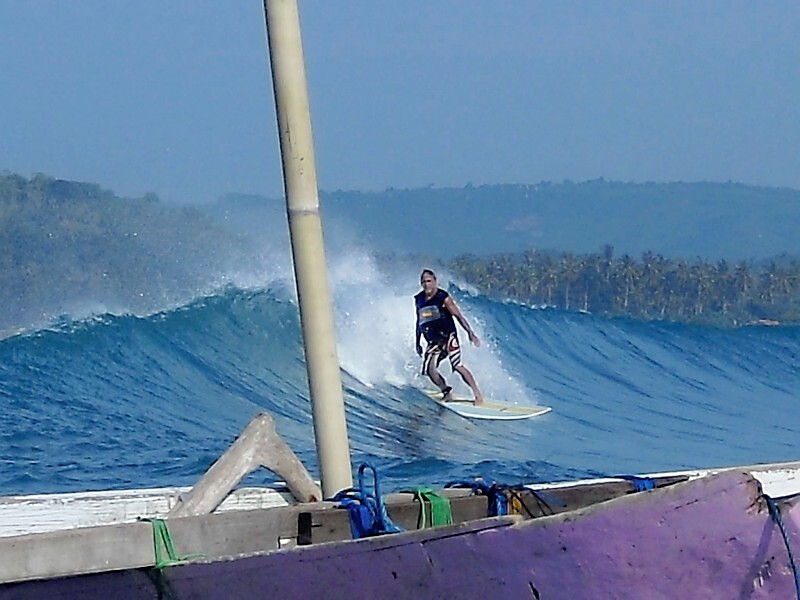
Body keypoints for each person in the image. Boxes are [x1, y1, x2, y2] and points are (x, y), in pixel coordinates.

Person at [414, 269, 484, 404]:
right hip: (433, 341)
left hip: (448, 337)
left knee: (457, 365)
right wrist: (417, 341)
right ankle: (446, 391)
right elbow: (419, 321)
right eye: (423, 282)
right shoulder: (419, 299)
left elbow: (458, 316)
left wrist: (470, 333)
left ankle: (477, 393)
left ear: (435, 282)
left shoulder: (442, 297)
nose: (426, 284)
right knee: (430, 371)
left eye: (429, 281)